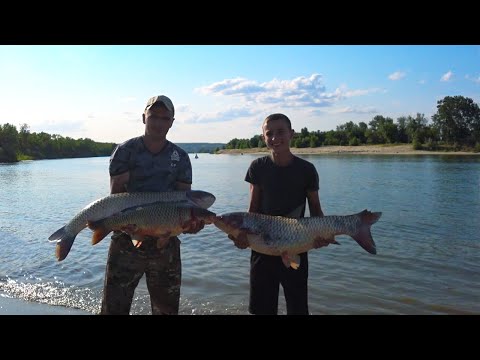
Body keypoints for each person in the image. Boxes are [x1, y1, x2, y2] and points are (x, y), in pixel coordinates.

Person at [100, 95, 205, 315]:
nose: (158, 123)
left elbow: (183, 204)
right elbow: (116, 198)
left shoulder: (181, 157)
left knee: (165, 311)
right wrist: (122, 225)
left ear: (171, 122)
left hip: (165, 246)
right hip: (126, 242)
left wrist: (191, 224)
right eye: (153, 116)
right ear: (143, 118)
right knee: (114, 309)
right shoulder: (125, 151)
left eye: (164, 118)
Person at [229, 113, 330, 315]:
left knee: (298, 308)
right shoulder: (257, 167)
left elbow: (316, 211)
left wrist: (322, 235)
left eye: (281, 132)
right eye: (269, 134)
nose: (275, 138)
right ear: (263, 137)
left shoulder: (307, 170)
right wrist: (241, 235)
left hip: (296, 245)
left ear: (291, 134)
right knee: (261, 310)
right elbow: (252, 210)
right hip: (262, 249)